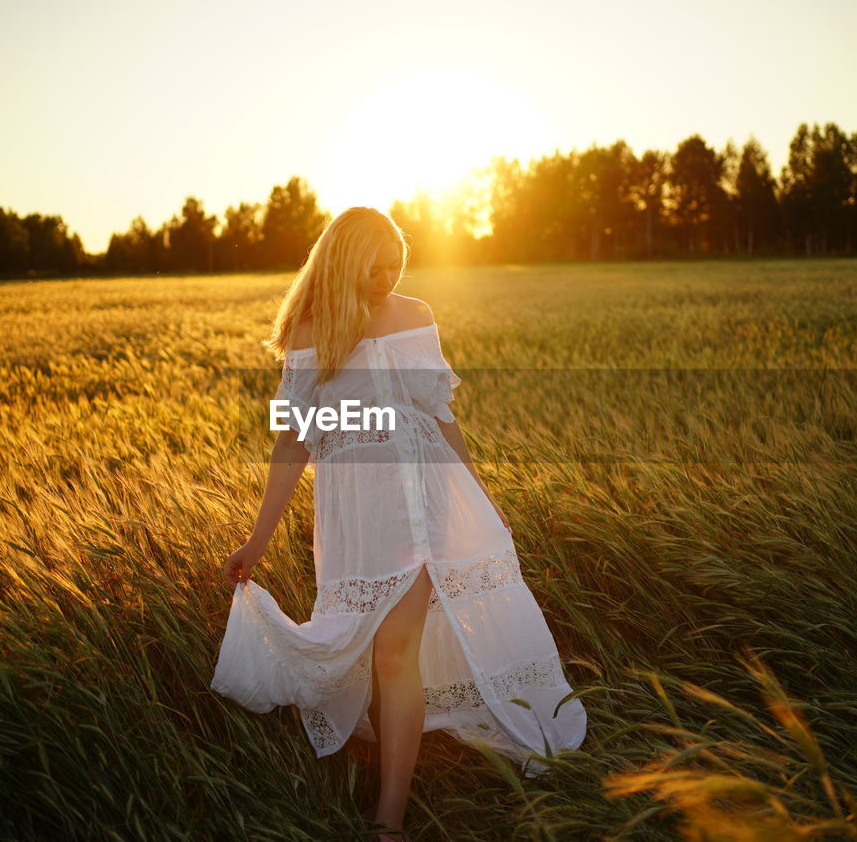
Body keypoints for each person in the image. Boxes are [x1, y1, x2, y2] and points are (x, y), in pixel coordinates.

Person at [210, 206, 586, 840]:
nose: (386, 278)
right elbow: (292, 444)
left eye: (395, 266)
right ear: (342, 262)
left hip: (425, 503)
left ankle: (390, 819)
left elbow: (441, 418)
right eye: (373, 267)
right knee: (375, 650)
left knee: (393, 653)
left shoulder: (415, 318)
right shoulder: (308, 334)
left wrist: (479, 496)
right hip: (358, 518)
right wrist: (257, 538)